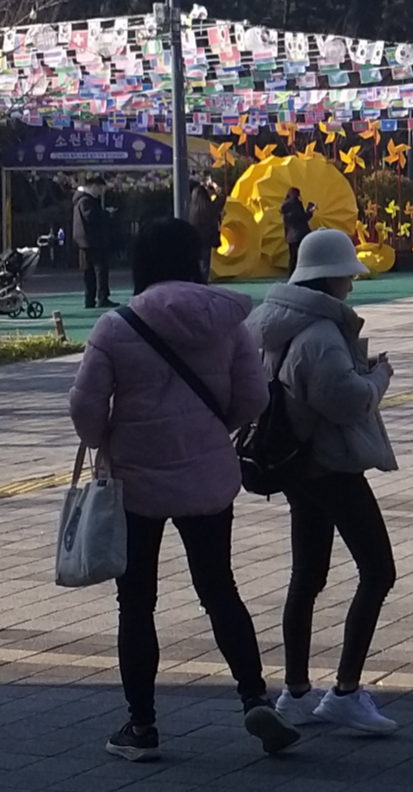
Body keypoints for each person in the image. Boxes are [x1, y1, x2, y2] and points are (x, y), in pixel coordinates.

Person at [67, 218, 294, 763]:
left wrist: (105, 440)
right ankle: (254, 697)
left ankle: (141, 726)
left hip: (136, 482)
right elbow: (255, 397)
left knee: (136, 604)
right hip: (208, 477)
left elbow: (85, 407)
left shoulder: (116, 326)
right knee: (220, 590)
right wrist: (215, 430)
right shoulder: (228, 323)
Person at [248, 228, 401, 736]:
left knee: (307, 577)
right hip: (332, 465)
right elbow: (349, 402)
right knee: (378, 571)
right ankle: (346, 692)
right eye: (347, 276)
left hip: (294, 465)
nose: (351, 286)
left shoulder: (271, 323)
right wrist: (379, 376)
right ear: (330, 278)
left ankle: (295, 692)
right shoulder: (320, 335)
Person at [75, 178, 120, 309]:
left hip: (86, 240)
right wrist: (106, 213)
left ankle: (90, 299)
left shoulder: (81, 199)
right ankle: (102, 297)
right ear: (94, 186)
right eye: (100, 189)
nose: (101, 193)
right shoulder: (86, 200)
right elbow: (91, 217)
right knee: (100, 269)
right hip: (93, 240)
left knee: (89, 271)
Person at [279, 187, 313, 267]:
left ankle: (291, 273)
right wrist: (310, 211)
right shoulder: (297, 204)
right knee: (304, 257)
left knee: (293, 258)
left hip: (290, 237)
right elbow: (303, 218)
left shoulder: (285, 206)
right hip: (301, 235)